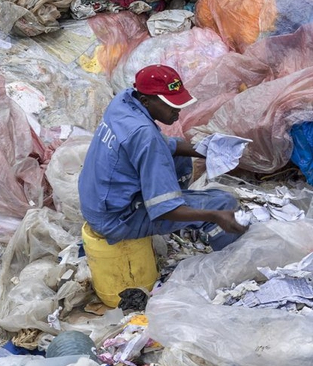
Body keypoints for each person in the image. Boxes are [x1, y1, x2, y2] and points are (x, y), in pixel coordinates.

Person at [80, 65, 247, 251]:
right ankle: (228, 258)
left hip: (97, 203)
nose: (178, 111)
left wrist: (211, 150)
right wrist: (214, 216)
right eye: (171, 105)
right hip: (116, 220)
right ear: (145, 101)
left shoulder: (123, 101)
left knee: (179, 154)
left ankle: (177, 209)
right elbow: (150, 144)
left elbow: (161, 145)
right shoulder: (145, 135)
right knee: (223, 203)